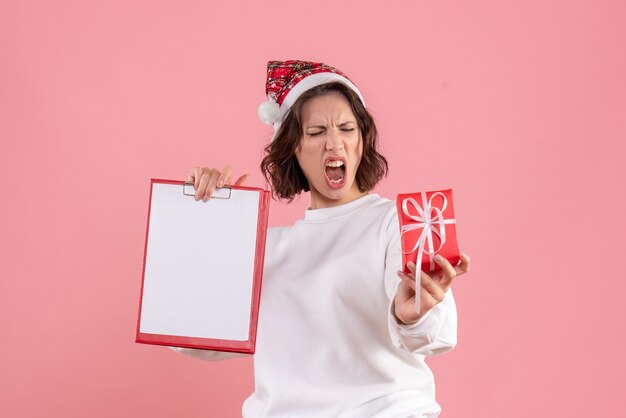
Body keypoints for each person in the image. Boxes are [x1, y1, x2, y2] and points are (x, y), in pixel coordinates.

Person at [171, 60, 470, 418]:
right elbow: (193, 337)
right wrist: (203, 225)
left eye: (347, 128)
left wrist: (411, 316)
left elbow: (433, 336)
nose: (335, 143)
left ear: (362, 139)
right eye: (315, 132)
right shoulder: (266, 248)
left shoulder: (394, 222)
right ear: (293, 147)